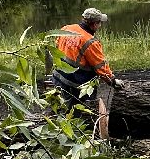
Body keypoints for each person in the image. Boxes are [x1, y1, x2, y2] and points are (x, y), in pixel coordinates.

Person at [49, 8, 123, 139]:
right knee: (75, 113)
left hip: (58, 76)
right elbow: (100, 67)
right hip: (76, 83)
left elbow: (56, 47)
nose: (100, 26)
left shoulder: (67, 28)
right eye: (100, 23)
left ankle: (56, 131)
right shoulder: (90, 42)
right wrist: (112, 81)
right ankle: (73, 137)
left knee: (60, 108)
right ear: (94, 24)